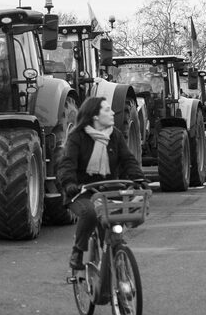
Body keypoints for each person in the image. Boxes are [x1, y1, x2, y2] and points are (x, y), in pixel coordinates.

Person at [57, 96, 147, 270]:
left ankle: (114, 269)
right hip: (82, 192)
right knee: (90, 213)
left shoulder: (115, 135)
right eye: (107, 110)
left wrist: (138, 179)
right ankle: (78, 251)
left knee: (116, 226)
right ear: (95, 116)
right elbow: (67, 163)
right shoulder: (77, 137)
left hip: (109, 191)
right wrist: (69, 183)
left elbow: (128, 159)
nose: (113, 112)